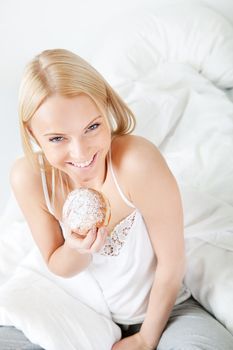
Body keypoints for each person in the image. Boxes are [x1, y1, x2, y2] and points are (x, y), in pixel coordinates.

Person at [6, 48, 233, 350]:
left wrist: (145, 339)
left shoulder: (136, 162)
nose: (81, 152)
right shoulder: (29, 178)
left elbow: (172, 262)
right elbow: (56, 263)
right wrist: (77, 248)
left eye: (92, 127)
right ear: (32, 133)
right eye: (58, 138)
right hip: (84, 313)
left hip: (167, 312)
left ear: (107, 107)